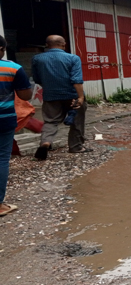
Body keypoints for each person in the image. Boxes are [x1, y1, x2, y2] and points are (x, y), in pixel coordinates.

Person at [32, 35, 89, 161]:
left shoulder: (37, 59)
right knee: (77, 120)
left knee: (50, 121)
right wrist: (80, 97)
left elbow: (37, 79)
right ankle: (76, 147)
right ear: (64, 44)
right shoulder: (73, 58)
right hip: (72, 95)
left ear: (47, 45)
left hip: (50, 96)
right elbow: (76, 80)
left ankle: (45, 143)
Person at [0, 35, 32, 216]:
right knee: (1, 159)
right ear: (1, 48)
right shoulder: (12, 68)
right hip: (4, 118)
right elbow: (26, 96)